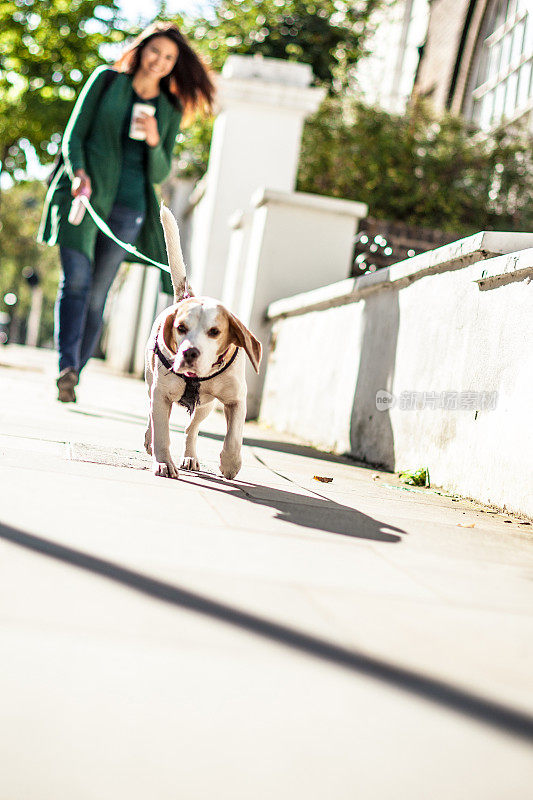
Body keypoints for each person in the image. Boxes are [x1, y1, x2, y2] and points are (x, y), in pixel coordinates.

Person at [38, 21, 214, 402]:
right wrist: (78, 172)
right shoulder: (106, 81)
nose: (160, 61)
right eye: (156, 51)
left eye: (169, 58)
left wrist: (154, 139)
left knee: (97, 294)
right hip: (84, 197)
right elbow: (75, 134)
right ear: (142, 49)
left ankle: (73, 372)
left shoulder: (169, 108)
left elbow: (161, 172)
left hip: (130, 208)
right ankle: (64, 364)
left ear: (174, 64)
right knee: (77, 283)